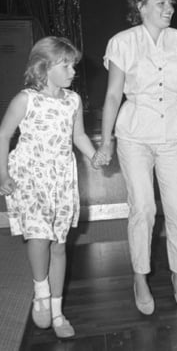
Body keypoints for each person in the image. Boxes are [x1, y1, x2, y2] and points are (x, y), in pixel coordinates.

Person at [95, 0, 177, 315]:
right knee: (143, 210)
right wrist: (106, 142)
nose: (169, 9)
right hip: (134, 134)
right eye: (161, 3)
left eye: (171, 3)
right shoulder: (122, 42)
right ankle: (140, 277)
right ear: (140, 5)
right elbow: (114, 94)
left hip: (175, 135)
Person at [0, 36, 98, 338]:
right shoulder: (25, 99)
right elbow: (3, 135)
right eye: (65, 65)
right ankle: (41, 293)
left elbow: (78, 136)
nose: (73, 71)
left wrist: (96, 156)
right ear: (43, 67)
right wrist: (2, 174)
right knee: (39, 237)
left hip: (61, 177)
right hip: (30, 175)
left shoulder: (73, 100)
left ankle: (57, 313)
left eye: (73, 65)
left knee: (59, 244)